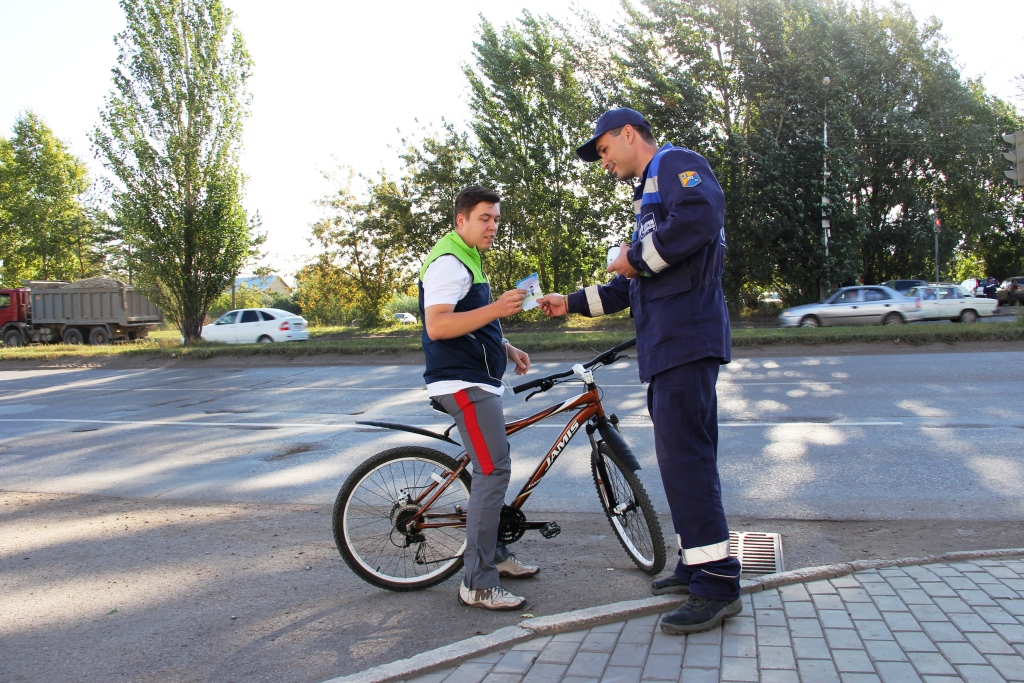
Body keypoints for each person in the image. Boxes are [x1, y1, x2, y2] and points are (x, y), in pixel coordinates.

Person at [537, 108, 742, 634]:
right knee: (682, 462)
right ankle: (697, 563)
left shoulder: (676, 164)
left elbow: (702, 216)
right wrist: (572, 302)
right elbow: (634, 285)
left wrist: (635, 256)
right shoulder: (649, 196)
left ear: (630, 136)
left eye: (604, 150)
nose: (603, 162)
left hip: (684, 341)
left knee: (687, 461)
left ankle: (717, 584)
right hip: (669, 346)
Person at [418, 185, 539, 610]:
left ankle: (497, 555)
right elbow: (438, 326)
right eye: (484, 218)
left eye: (496, 219)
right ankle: (478, 582)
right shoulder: (449, 261)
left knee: (491, 464)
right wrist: (496, 311)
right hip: (460, 382)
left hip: (477, 377)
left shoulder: (467, 256)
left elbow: (469, 321)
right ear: (462, 221)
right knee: (494, 470)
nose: (492, 226)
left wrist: (505, 347)